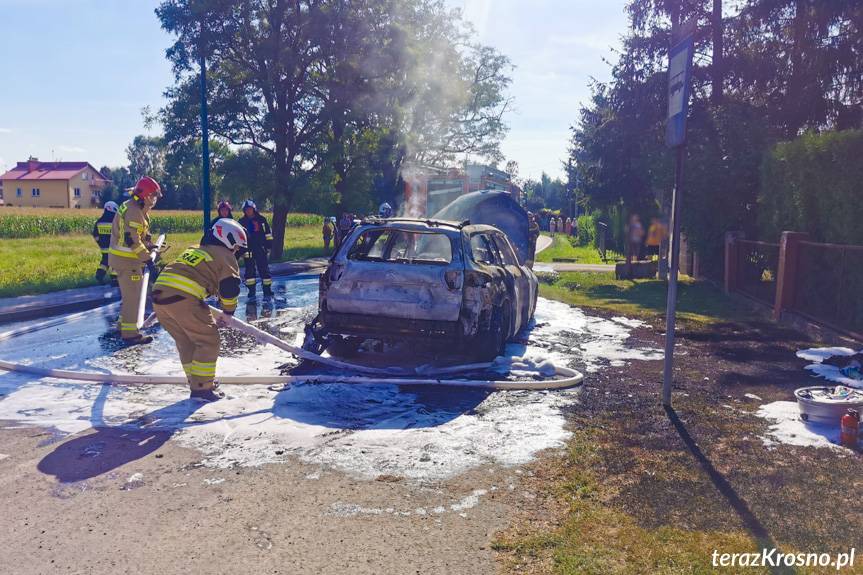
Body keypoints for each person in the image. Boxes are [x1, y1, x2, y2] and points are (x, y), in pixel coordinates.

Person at [152, 220, 245, 402]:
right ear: (228, 240)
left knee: (186, 341)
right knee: (208, 341)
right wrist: (228, 313)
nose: (237, 252)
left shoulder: (195, 249)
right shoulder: (226, 256)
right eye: (236, 247)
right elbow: (230, 287)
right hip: (184, 298)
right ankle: (202, 388)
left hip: (158, 297)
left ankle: (196, 382)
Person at [108, 176, 162, 345]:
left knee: (129, 295)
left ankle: (121, 326)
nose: (155, 199)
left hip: (125, 259)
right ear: (145, 195)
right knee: (134, 296)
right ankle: (130, 334)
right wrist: (148, 260)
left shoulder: (135, 207)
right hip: (127, 261)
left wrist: (150, 246)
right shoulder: (134, 211)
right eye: (153, 195)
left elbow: (138, 236)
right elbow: (132, 240)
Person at [238, 199, 274, 301]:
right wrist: (240, 251)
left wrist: (268, 246)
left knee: (264, 270)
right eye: (246, 209)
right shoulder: (241, 222)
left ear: (254, 209)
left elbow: (268, 234)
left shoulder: (261, 220)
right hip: (248, 250)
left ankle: (267, 290)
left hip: (260, 249)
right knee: (249, 272)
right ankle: (251, 291)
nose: (248, 211)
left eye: (250, 209)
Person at [92, 201, 119, 285]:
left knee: (104, 262)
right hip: (114, 247)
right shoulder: (114, 221)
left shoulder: (99, 221)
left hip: (104, 248)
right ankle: (114, 279)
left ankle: (99, 275)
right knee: (116, 263)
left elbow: (95, 235)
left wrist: (100, 243)